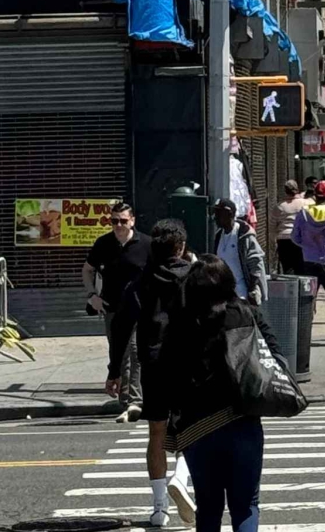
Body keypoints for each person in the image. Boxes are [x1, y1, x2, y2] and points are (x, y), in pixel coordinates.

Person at [162, 256, 283, 531]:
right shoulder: (246, 313)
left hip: (197, 427)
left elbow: (166, 373)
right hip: (242, 419)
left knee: (208, 507)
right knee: (246, 505)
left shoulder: (181, 320)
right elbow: (275, 356)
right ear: (229, 282)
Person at [107, 219, 196, 528]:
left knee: (156, 432)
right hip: (188, 363)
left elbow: (121, 326)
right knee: (191, 429)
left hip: (154, 363)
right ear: (181, 247)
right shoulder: (194, 277)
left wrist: (114, 370)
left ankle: (159, 508)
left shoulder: (141, 281)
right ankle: (181, 478)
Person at [84, 201, 150, 421]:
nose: (118, 225)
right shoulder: (103, 243)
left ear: (132, 221)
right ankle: (125, 399)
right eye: (114, 221)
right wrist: (92, 295)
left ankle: (135, 400)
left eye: (123, 221)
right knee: (119, 353)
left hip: (139, 309)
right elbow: (87, 270)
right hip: (112, 308)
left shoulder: (146, 244)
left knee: (136, 351)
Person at [292, 181, 325, 340]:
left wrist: (305, 246)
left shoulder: (303, 213)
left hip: (308, 260)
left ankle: (304, 330)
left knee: (309, 297)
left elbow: (294, 236)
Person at [210, 199, 268, 304]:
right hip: (224, 295)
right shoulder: (218, 236)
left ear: (229, 213)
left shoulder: (244, 235)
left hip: (242, 293)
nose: (215, 217)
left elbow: (256, 262)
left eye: (219, 213)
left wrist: (252, 289)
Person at [270, 180, 311, 276]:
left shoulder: (280, 206)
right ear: (297, 189)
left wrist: (273, 242)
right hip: (300, 238)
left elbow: (272, 226)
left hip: (283, 239)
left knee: (287, 266)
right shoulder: (306, 204)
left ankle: (290, 284)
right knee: (301, 266)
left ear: (285, 191)